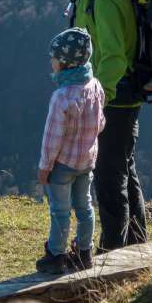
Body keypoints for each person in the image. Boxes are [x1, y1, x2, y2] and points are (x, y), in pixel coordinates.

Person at [61, 0, 146, 250]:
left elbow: (113, 58)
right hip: (112, 95)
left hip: (115, 99)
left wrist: (98, 99)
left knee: (110, 178)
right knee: (123, 168)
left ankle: (113, 252)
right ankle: (138, 245)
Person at [36, 27, 106, 273]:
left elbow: (52, 138)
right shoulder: (95, 86)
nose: (51, 62)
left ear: (65, 63)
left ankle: (56, 256)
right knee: (85, 207)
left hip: (63, 165)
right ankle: (84, 253)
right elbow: (101, 123)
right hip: (87, 161)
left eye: (53, 58)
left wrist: (45, 167)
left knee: (60, 211)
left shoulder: (61, 96)